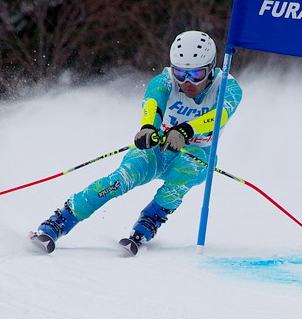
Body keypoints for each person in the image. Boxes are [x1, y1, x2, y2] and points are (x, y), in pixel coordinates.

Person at [30, 30, 242, 255]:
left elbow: (219, 116)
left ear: (210, 68)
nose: (187, 82)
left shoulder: (228, 88)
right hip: (160, 149)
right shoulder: (165, 81)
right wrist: (148, 127)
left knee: (184, 172)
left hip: (197, 155)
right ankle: (60, 221)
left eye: (196, 74)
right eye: (181, 73)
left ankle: (150, 220)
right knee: (120, 180)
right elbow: (152, 103)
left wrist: (185, 131)